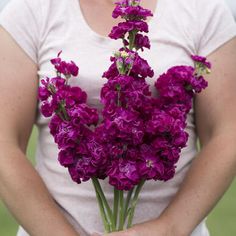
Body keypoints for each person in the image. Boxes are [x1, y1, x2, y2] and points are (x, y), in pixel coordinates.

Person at [0, 0, 236, 235]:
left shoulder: (204, 10)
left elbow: (227, 135)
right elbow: (4, 145)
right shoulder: (31, 10)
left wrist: (170, 228)